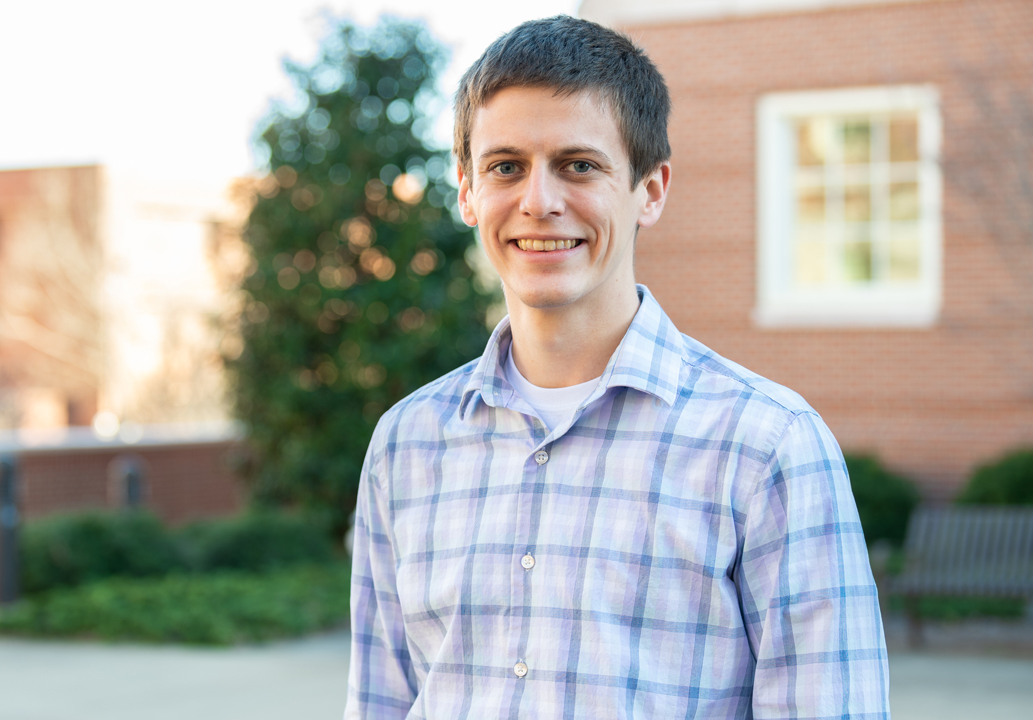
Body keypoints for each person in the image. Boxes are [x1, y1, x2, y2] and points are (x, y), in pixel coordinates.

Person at [345, 15, 889, 719]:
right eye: (506, 166)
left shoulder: (768, 445)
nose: (539, 201)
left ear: (651, 190)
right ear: (467, 192)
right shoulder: (405, 443)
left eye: (580, 165)